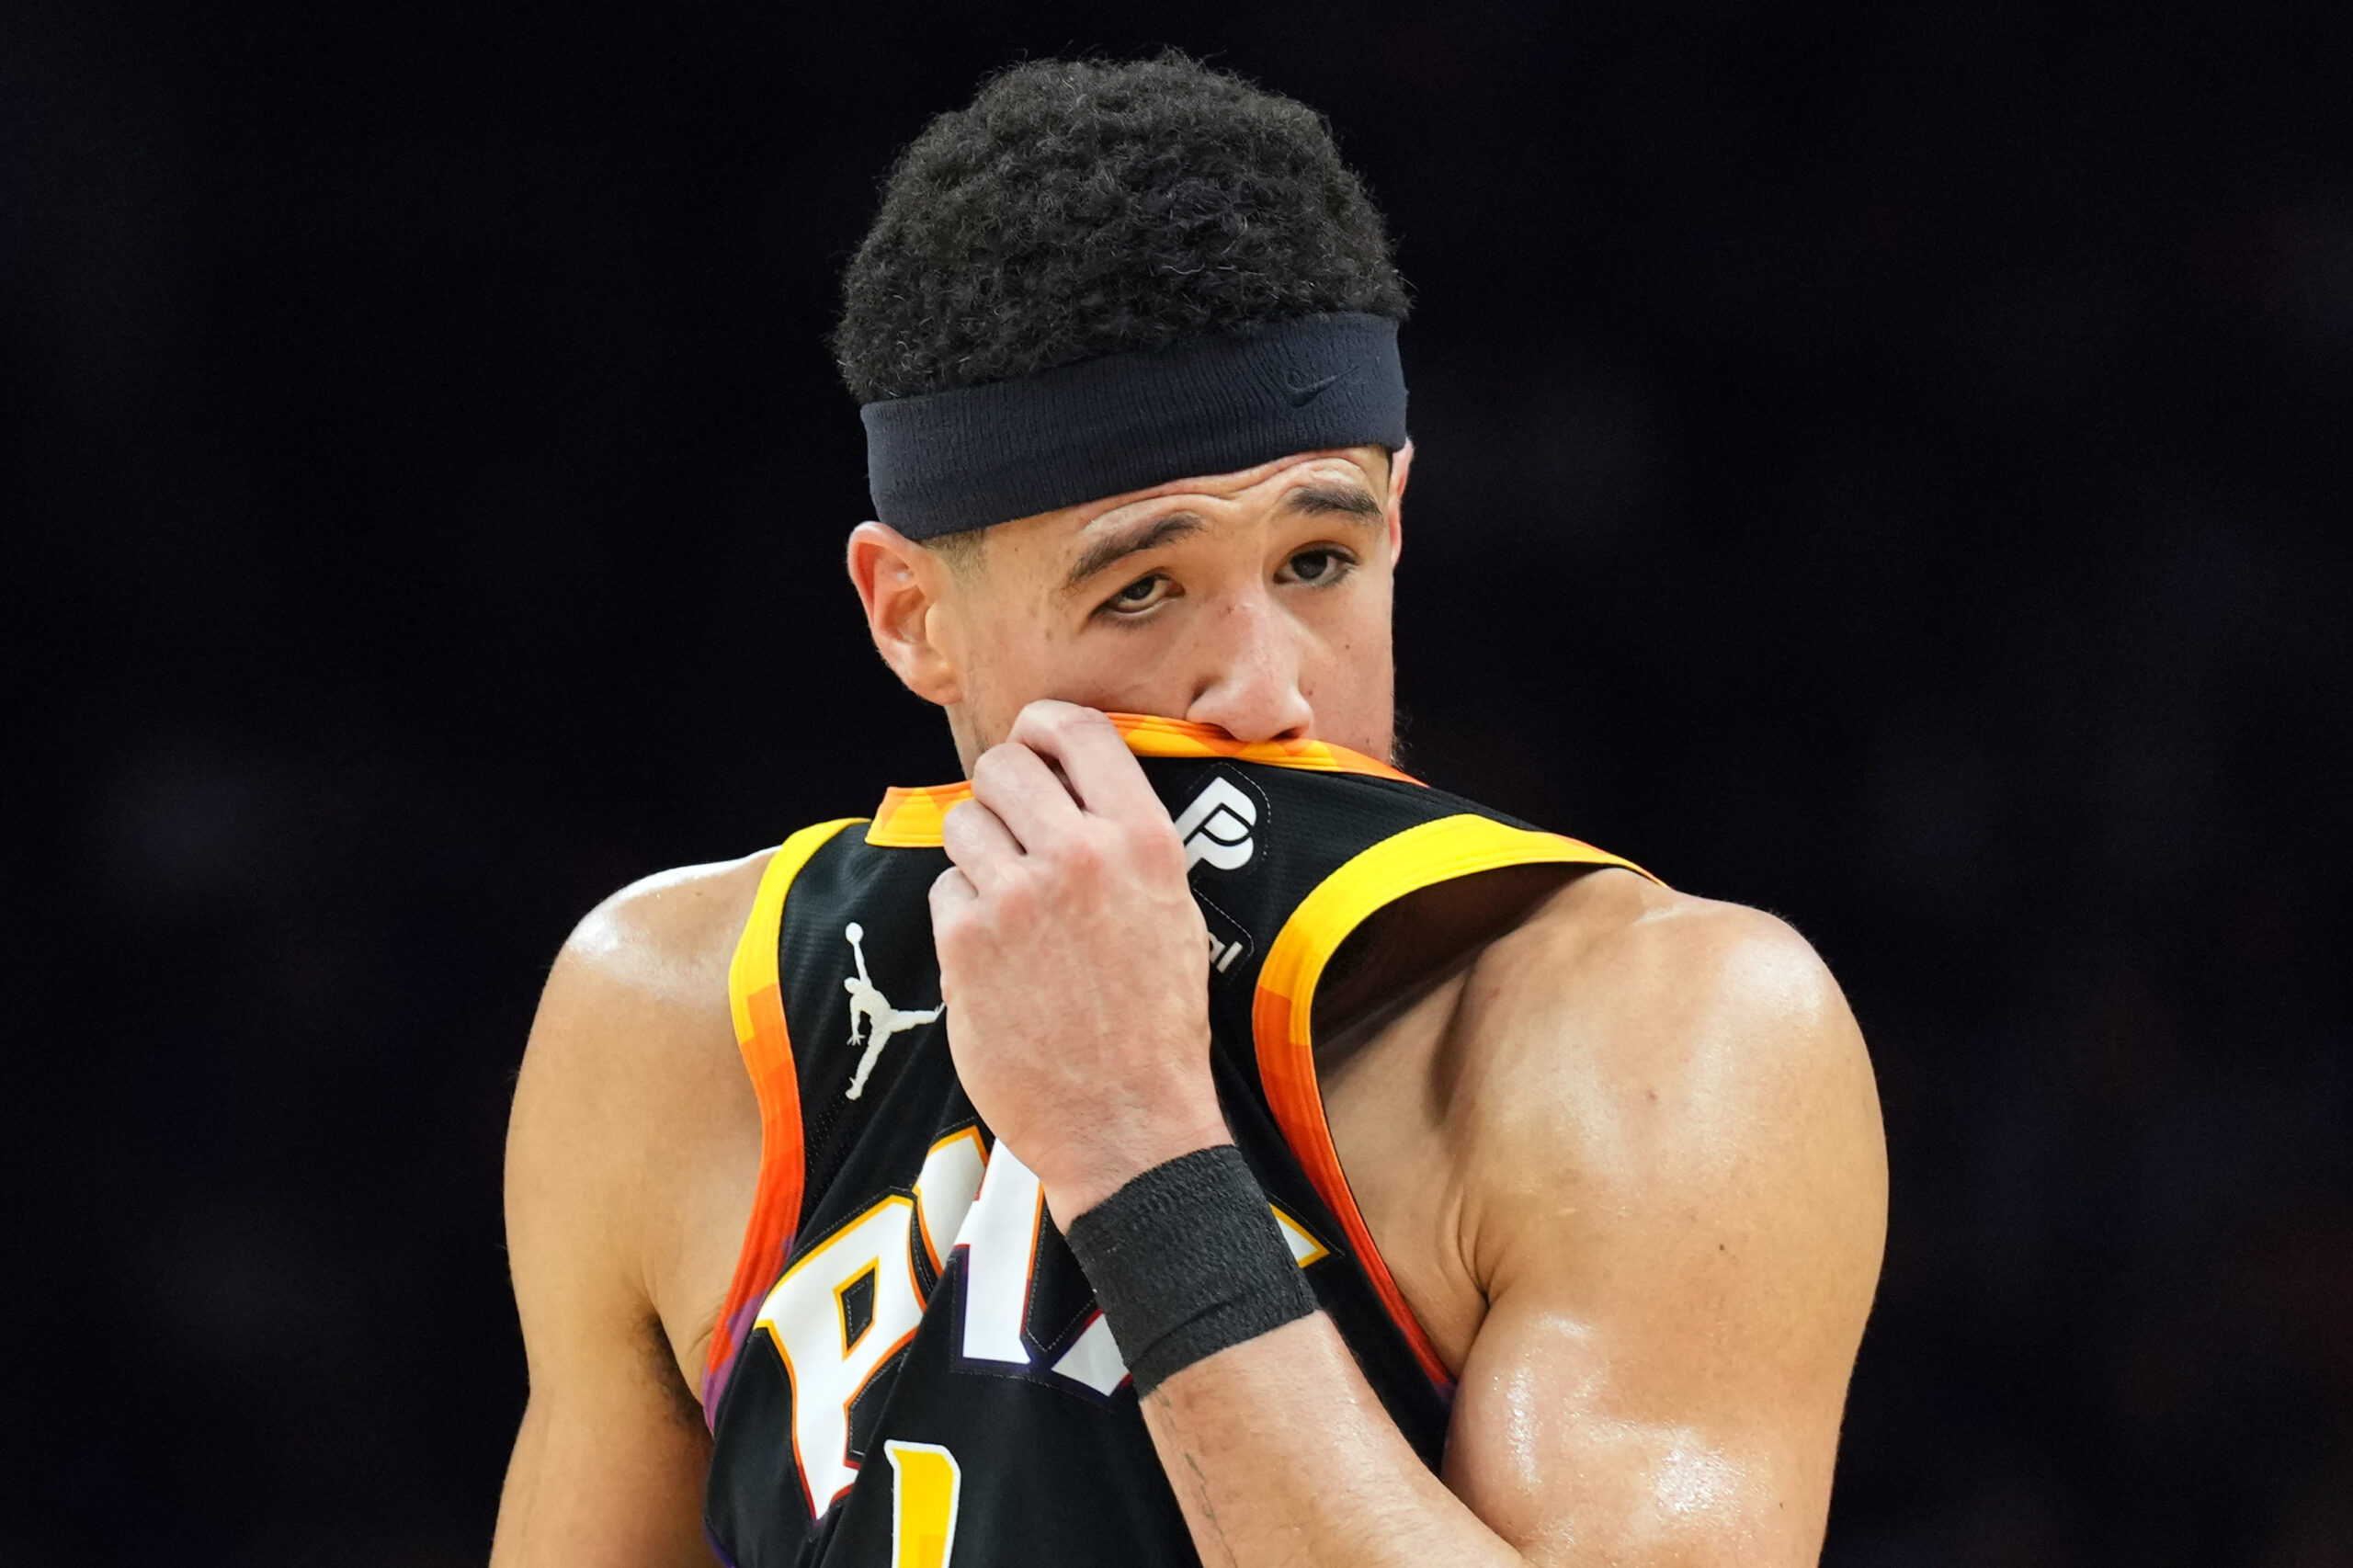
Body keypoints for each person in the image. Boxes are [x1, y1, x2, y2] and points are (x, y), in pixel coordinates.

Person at [492, 54, 1887, 1568]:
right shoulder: (678, 1014)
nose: (1261, 690)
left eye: (1317, 560)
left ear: (1401, 518)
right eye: (1141, 589)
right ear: (912, 616)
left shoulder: (1659, 1029)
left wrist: (1141, 1149)